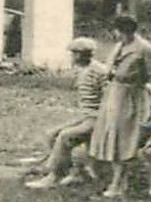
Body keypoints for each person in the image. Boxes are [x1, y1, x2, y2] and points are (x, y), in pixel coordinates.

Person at [90, 15, 151, 198]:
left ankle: (119, 183)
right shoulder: (118, 46)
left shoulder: (145, 49)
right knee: (112, 136)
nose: (117, 34)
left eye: (119, 31)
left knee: (125, 139)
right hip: (114, 95)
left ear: (127, 30)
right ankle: (115, 180)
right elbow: (109, 68)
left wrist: (147, 93)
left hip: (132, 97)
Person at [25, 37, 109, 189]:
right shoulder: (81, 70)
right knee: (52, 134)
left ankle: (54, 176)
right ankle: (75, 172)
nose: (73, 57)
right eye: (73, 53)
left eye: (75, 53)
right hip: (86, 115)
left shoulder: (100, 71)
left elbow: (109, 98)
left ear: (85, 54)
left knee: (66, 136)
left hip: (98, 117)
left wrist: (100, 117)